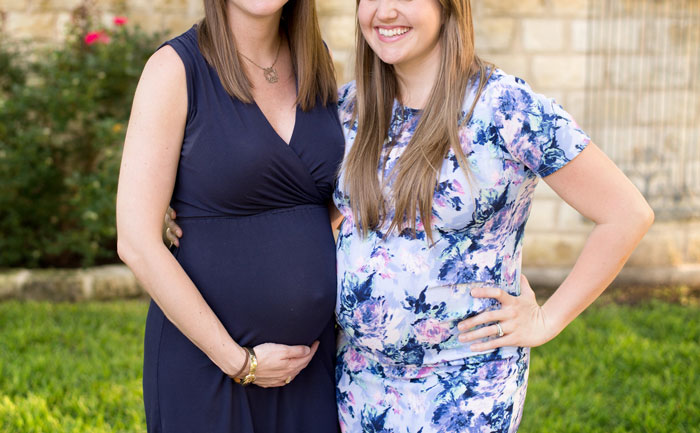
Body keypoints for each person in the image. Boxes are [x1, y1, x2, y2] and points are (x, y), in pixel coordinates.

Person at [166, 0, 654, 431]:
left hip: (464, 387)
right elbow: (303, 203)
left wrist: (547, 319)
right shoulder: (349, 109)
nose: (385, 11)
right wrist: (190, 207)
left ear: (447, 6)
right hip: (358, 382)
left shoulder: (505, 108)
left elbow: (626, 213)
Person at [116, 0, 343, 432]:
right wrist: (241, 362)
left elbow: (330, 202)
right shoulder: (173, 70)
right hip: (210, 367)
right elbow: (136, 242)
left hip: (309, 365)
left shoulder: (317, 61)